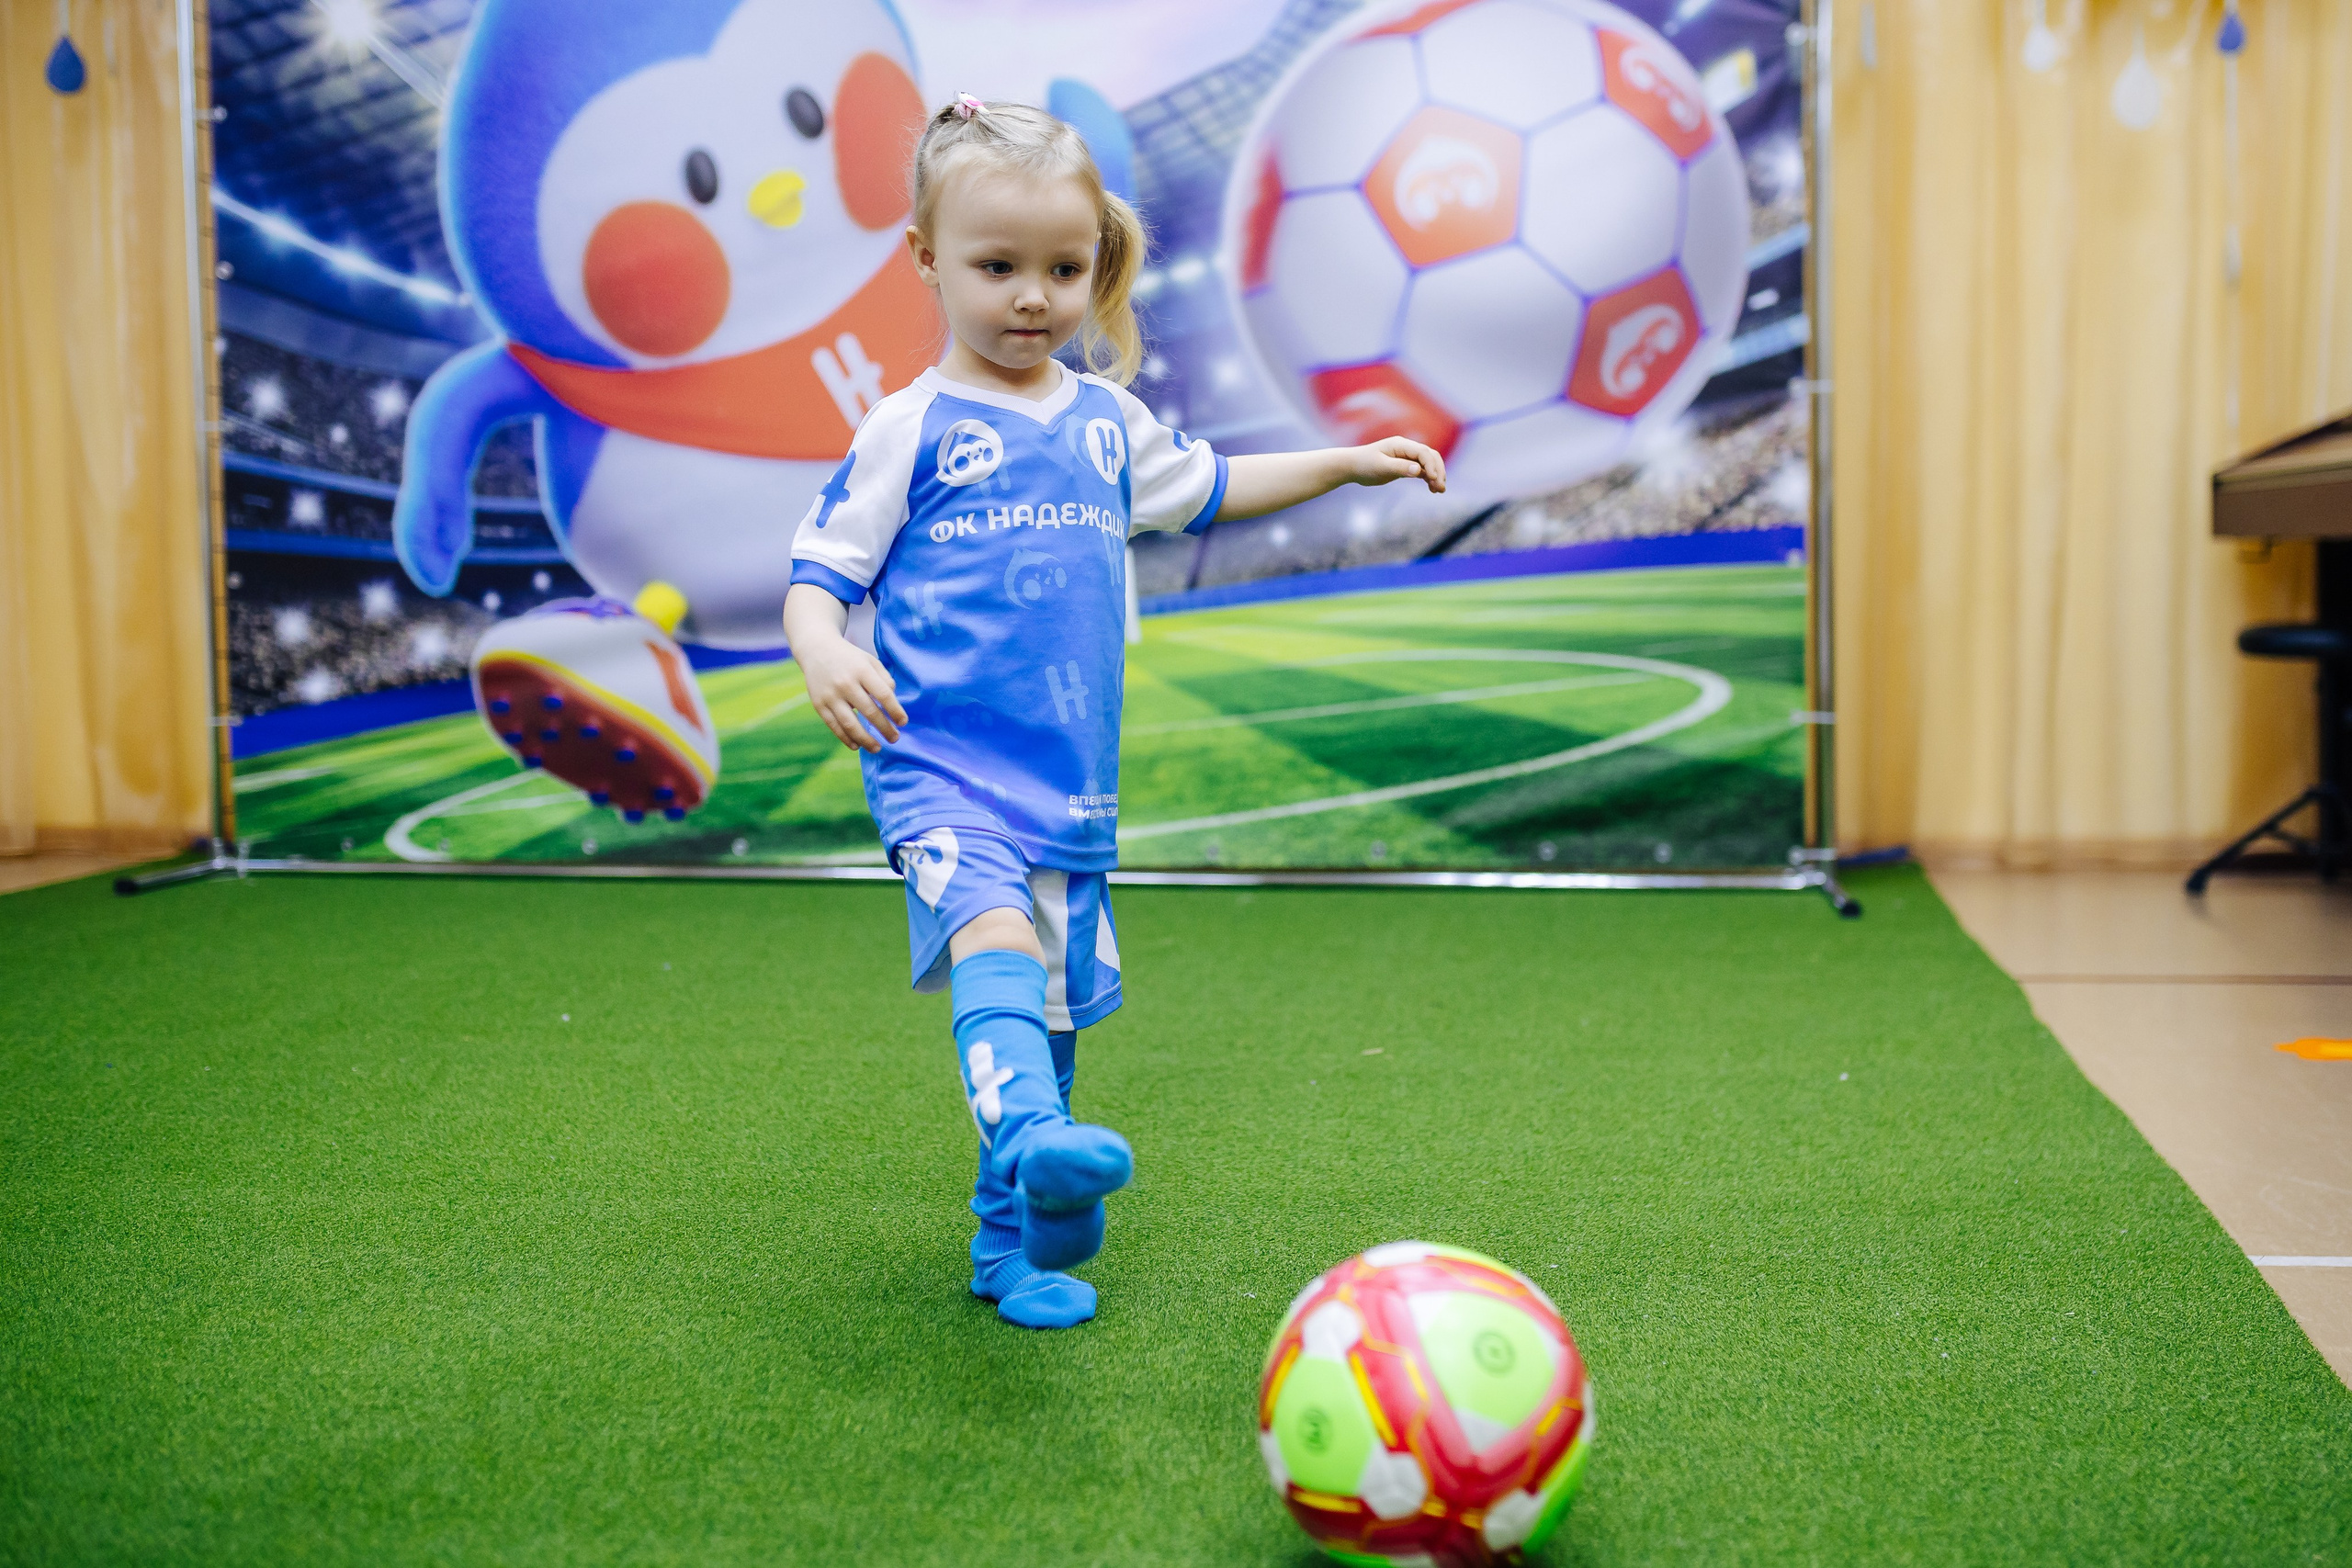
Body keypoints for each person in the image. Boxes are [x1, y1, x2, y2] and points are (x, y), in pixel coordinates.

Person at [782, 94, 1445, 1329]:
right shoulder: (909, 429)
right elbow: (820, 572)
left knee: (1054, 1016)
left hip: (1069, 791)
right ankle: (1038, 1136)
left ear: (1096, 267)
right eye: (996, 266)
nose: (1031, 296)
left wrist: (1347, 460)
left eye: (1062, 269)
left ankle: (1012, 1249)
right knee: (994, 947)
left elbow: (1218, 485)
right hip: (940, 772)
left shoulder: (1104, 426)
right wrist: (823, 648)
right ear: (927, 260)